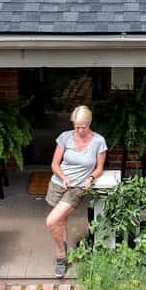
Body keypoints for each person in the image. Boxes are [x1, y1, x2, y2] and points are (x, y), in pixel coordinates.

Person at [45, 105, 107, 278]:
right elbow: (54, 164)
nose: (79, 130)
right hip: (59, 183)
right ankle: (63, 253)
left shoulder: (98, 141)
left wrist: (91, 178)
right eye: (76, 126)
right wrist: (63, 177)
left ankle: (60, 255)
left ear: (89, 123)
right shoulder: (65, 137)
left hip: (78, 187)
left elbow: (99, 168)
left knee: (51, 221)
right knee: (61, 221)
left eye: (83, 126)